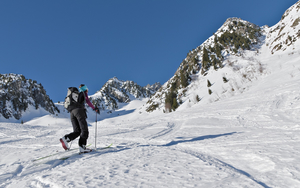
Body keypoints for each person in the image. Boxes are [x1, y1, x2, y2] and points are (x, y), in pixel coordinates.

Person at [60, 84, 99, 153]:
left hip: (72, 113)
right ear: (85, 89)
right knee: (84, 130)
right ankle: (82, 146)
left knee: (77, 131)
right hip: (79, 112)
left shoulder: (75, 97)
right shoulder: (83, 93)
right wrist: (94, 108)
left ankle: (66, 139)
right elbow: (87, 101)